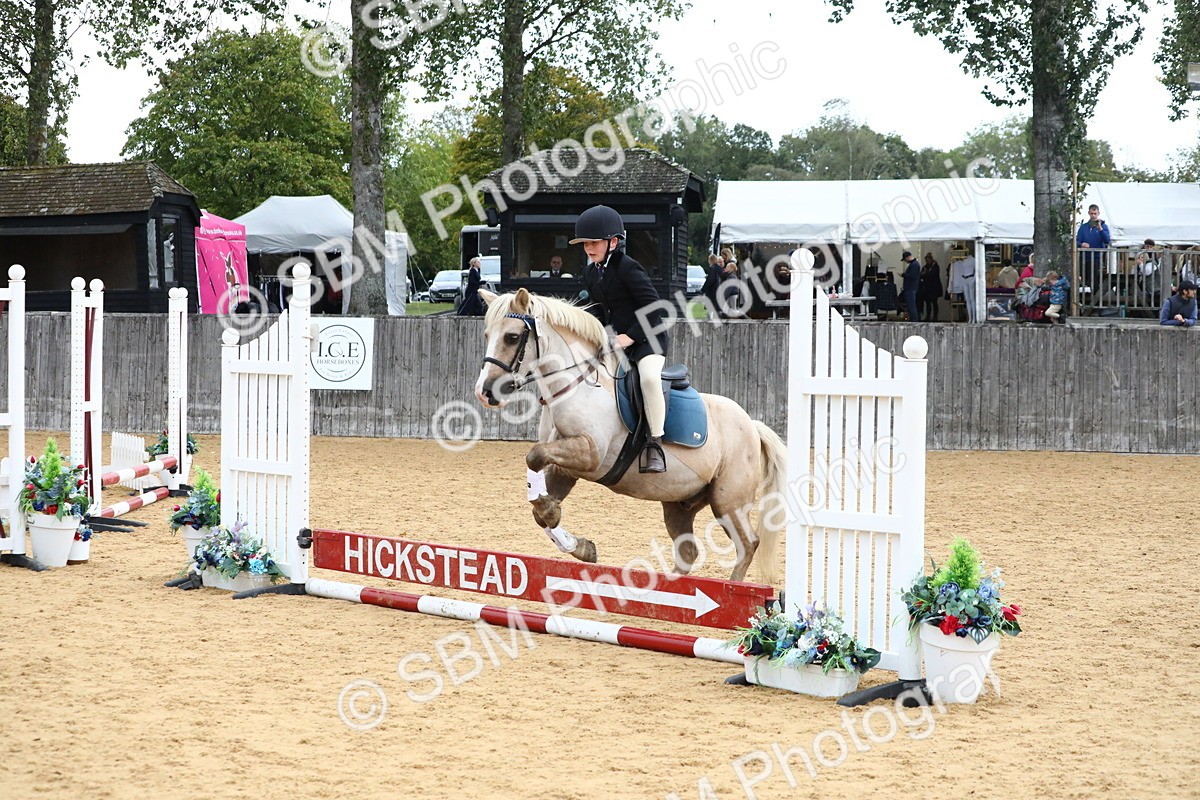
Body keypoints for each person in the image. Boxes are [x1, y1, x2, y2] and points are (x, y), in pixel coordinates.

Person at [574, 205, 668, 473]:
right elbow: (598, 309)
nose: (588, 248)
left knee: (649, 378)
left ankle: (655, 443)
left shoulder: (628, 267)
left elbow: (654, 306)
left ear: (613, 242)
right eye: (584, 244)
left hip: (647, 338)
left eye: (593, 242)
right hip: (616, 341)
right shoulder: (591, 273)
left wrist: (631, 336)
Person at [1076, 203, 1111, 297]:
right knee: (1083, 279)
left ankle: (1095, 301)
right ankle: (1084, 300)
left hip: (1097, 258)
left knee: (1095, 280)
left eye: (1095, 213)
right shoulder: (1083, 227)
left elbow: (1107, 240)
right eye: (1091, 213)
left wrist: (1100, 229)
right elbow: (1076, 241)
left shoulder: (1104, 226)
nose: (1093, 215)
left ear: (1098, 213)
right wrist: (1081, 244)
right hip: (1084, 258)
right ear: (1089, 213)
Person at [951, 251, 977, 323]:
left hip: (970, 278)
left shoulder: (974, 260)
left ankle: (974, 318)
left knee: (972, 299)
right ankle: (970, 318)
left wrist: (974, 279)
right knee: (967, 300)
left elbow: (977, 271)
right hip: (964, 279)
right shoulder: (964, 260)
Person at [920, 253, 942, 321]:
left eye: (928, 260)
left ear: (931, 259)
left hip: (934, 287)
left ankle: (935, 316)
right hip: (927, 287)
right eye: (926, 260)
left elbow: (933, 274)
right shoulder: (925, 267)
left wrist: (925, 274)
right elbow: (921, 275)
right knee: (927, 302)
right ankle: (928, 316)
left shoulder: (935, 266)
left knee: (934, 302)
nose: (927, 262)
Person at [900, 251, 920, 321]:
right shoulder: (914, 264)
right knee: (911, 305)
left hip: (910, 288)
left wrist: (904, 274)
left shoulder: (914, 265)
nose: (905, 261)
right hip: (911, 288)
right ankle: (913, 319)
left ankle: (914, 320)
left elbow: (912, 276)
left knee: (911, 305)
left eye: (905, 259)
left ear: (908, 257)